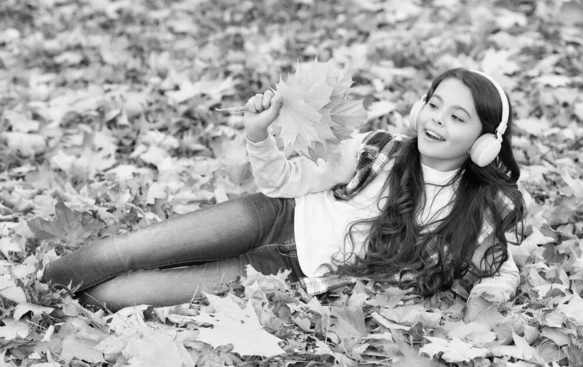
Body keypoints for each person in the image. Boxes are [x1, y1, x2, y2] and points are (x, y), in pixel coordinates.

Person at [42, 67, 525, 317]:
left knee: (123, 294)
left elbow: (500, 267)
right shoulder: (377, 149)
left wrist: (491, 294)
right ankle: (34, 289)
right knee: (130, 249)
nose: (438, 120)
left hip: (290, 271)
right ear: (420, 109)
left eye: (457, 117)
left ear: (485, 143)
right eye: (435, 105)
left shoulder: (478, 208)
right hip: (274, 215)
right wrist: (259, 135)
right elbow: (283, 180)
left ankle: (51, 303)